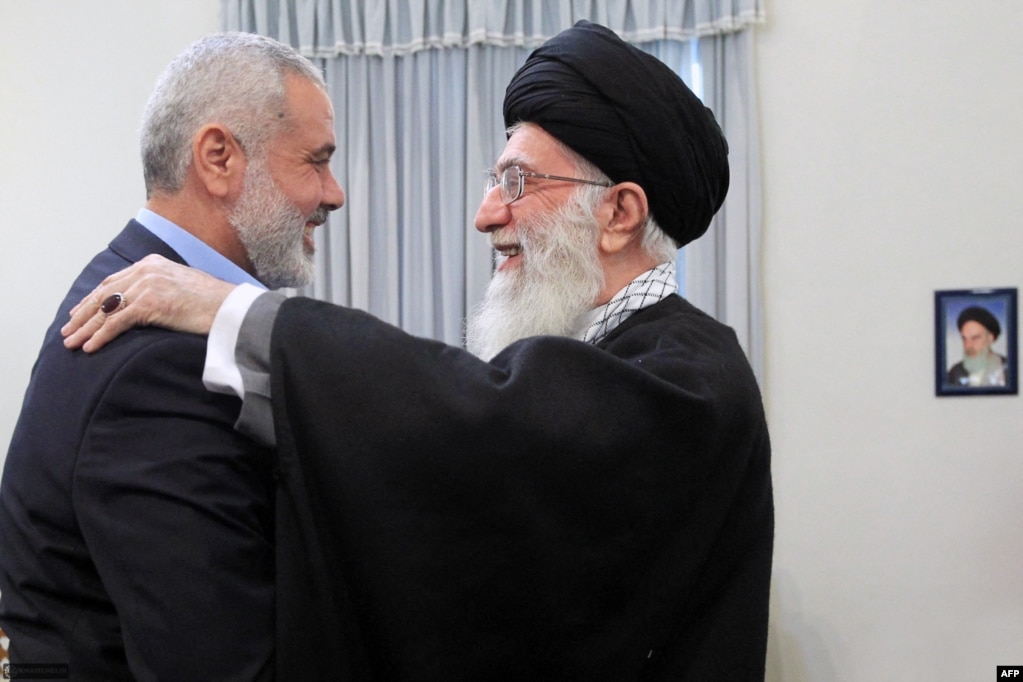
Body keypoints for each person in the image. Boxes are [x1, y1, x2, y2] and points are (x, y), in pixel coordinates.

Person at [64, 21, 773, 681]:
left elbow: (490, 425)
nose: (485, 213)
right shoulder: (604, 355)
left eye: (517, 181)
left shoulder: (692, 381)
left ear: (618, 213)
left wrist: (233, 311)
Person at [0, 33, 344, 680]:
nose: (334, 193)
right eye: (315, 161)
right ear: (218, 157)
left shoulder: (141, 297)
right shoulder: (155, 362)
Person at [946, 305, 1008, 387]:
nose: (968, 346)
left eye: (975, 338)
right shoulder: (955, 372)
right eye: (964, 339)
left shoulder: (1009, 368)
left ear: (990, 338)